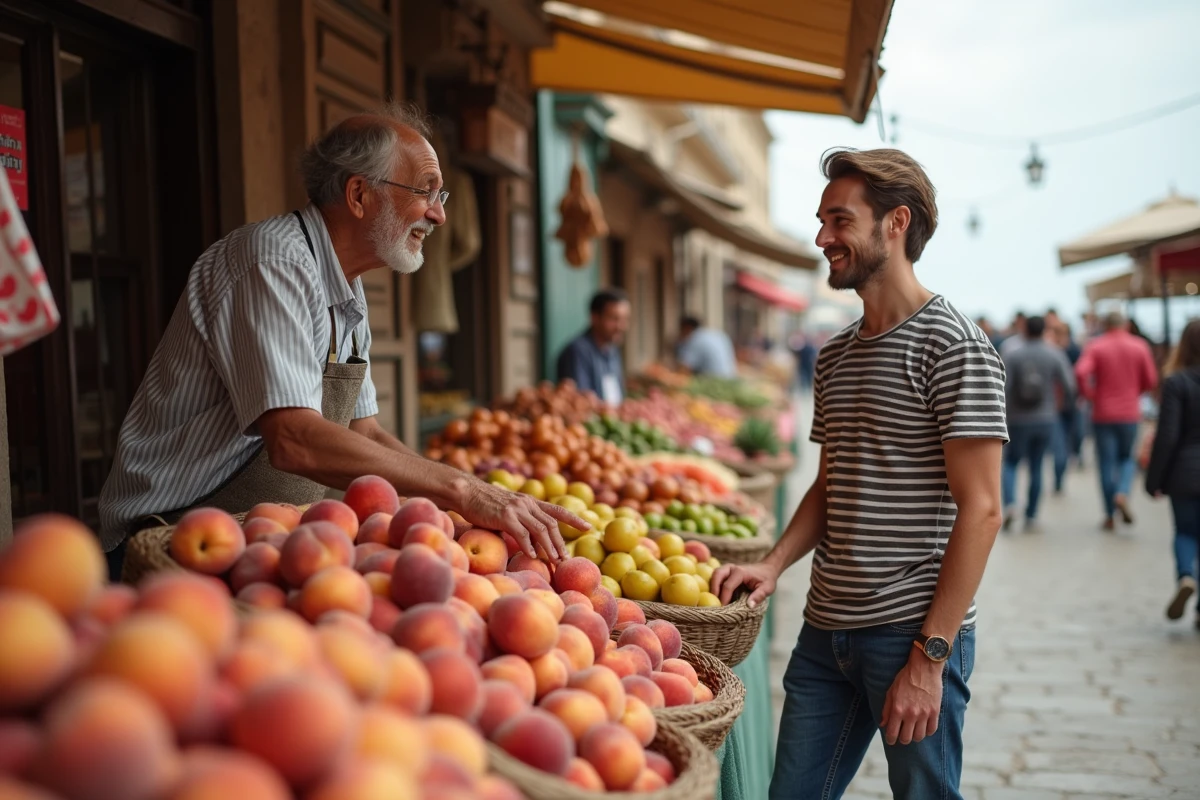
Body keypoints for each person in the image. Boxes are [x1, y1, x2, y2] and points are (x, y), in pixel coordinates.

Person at [99, 105, 584, 579]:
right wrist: (460, 489)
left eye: (443, 196)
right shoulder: (274, 264)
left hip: (262, 547)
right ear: (358, 195)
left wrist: (465, 498)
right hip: (169, 544)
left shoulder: (345, 287)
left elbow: (364, 433)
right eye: (426, 192)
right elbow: (292, 439)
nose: (438, 215)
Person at [712, 148, 1007, 800]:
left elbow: (983, 509)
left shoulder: (955, 346)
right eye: (821, 221)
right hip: (824, 636)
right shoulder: (836, 354)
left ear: (895, 223)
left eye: (839, 220)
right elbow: (832, 482)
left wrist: (930, 659)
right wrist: (773, 563)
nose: (822, 238)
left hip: (910, 634)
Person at [1075, 312, 1158, 530]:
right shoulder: (1139, 346)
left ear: (1105, 324)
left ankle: (1109, 514)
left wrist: (1091, 395)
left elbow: (1081, 372)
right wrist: (1135, 392)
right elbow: (1151, 380)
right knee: (1127, 458)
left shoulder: (1096, 346)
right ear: (1126, 325)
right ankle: (1122, 492)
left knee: (1105, 462)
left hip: (1102, 412)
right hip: (1130, 412)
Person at [1144, 319, 1200, 628]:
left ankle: (1186, 576)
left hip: (1185, 474)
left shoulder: (1177, 382)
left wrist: (1154, 481)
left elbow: (1167, 436)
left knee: (1186, 532)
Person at [1001, 315, 1076, 531]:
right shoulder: (1054, 353)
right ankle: (1031, 514)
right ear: (1044, 330)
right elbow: (1069, 385)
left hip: (1016, 419)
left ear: (1024, 330)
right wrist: (1065, 411)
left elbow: (1004, 386)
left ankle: (1010, 505)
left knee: (1011, 464)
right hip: (1045, 418)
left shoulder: (1013, 353)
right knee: (1037, 466)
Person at [556, 288, 630, 406]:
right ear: (595, 318)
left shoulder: (612, 349)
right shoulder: (577, 352)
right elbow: (581, 401)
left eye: (624, 319)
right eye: (614, 319)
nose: (620, 326)